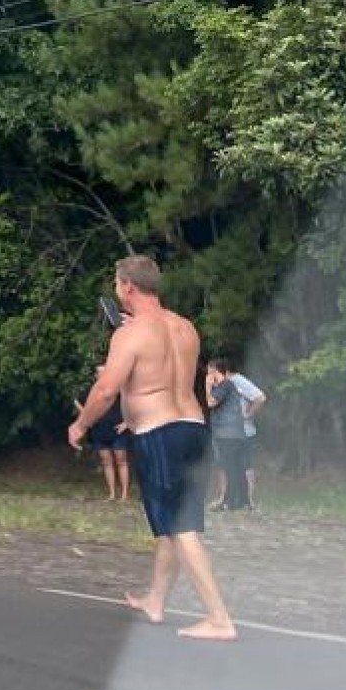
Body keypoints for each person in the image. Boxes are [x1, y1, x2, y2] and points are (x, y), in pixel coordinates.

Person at [71, 254, 237, 640]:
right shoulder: (185, 328)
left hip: (160, 435)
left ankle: (218, 618)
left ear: (127, 287)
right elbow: (163, 377)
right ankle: (156, 600)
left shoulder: (129, 335)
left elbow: (107, 389)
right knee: (175, 523)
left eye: (116, 282)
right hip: (194, 428)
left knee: (181, 527)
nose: (116, 289)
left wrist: (80, 425)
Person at [205, 357, 266, 511]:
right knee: (225, 465)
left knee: (244, 466)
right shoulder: (223, 384)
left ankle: (246, 500)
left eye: (211, 371)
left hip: (242, 431)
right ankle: (227, 499)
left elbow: (260, 397)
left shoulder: (236, 381)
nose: (208, 374)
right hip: (227, 430)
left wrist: (248, 414)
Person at [85, 364, 132, 502]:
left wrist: (127, 423)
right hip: (99, 431)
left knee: (121, 460)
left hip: (118, 430)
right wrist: (88, 417)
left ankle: (124, 494)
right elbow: (78, 401)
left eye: (106, 372)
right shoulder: (93, 391)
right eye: (100, 373)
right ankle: (111, 494)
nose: (103, 375)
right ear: (96, 376)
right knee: (106, 462)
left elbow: (133, 404)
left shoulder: (120, 389)